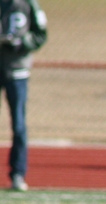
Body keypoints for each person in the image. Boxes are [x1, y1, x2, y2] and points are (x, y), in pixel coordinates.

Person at [0, 0, 46, 192]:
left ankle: (18, 173)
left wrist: (20, 42)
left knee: (18, 124)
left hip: (17, 70)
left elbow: (40, 35)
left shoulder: (28, 4)